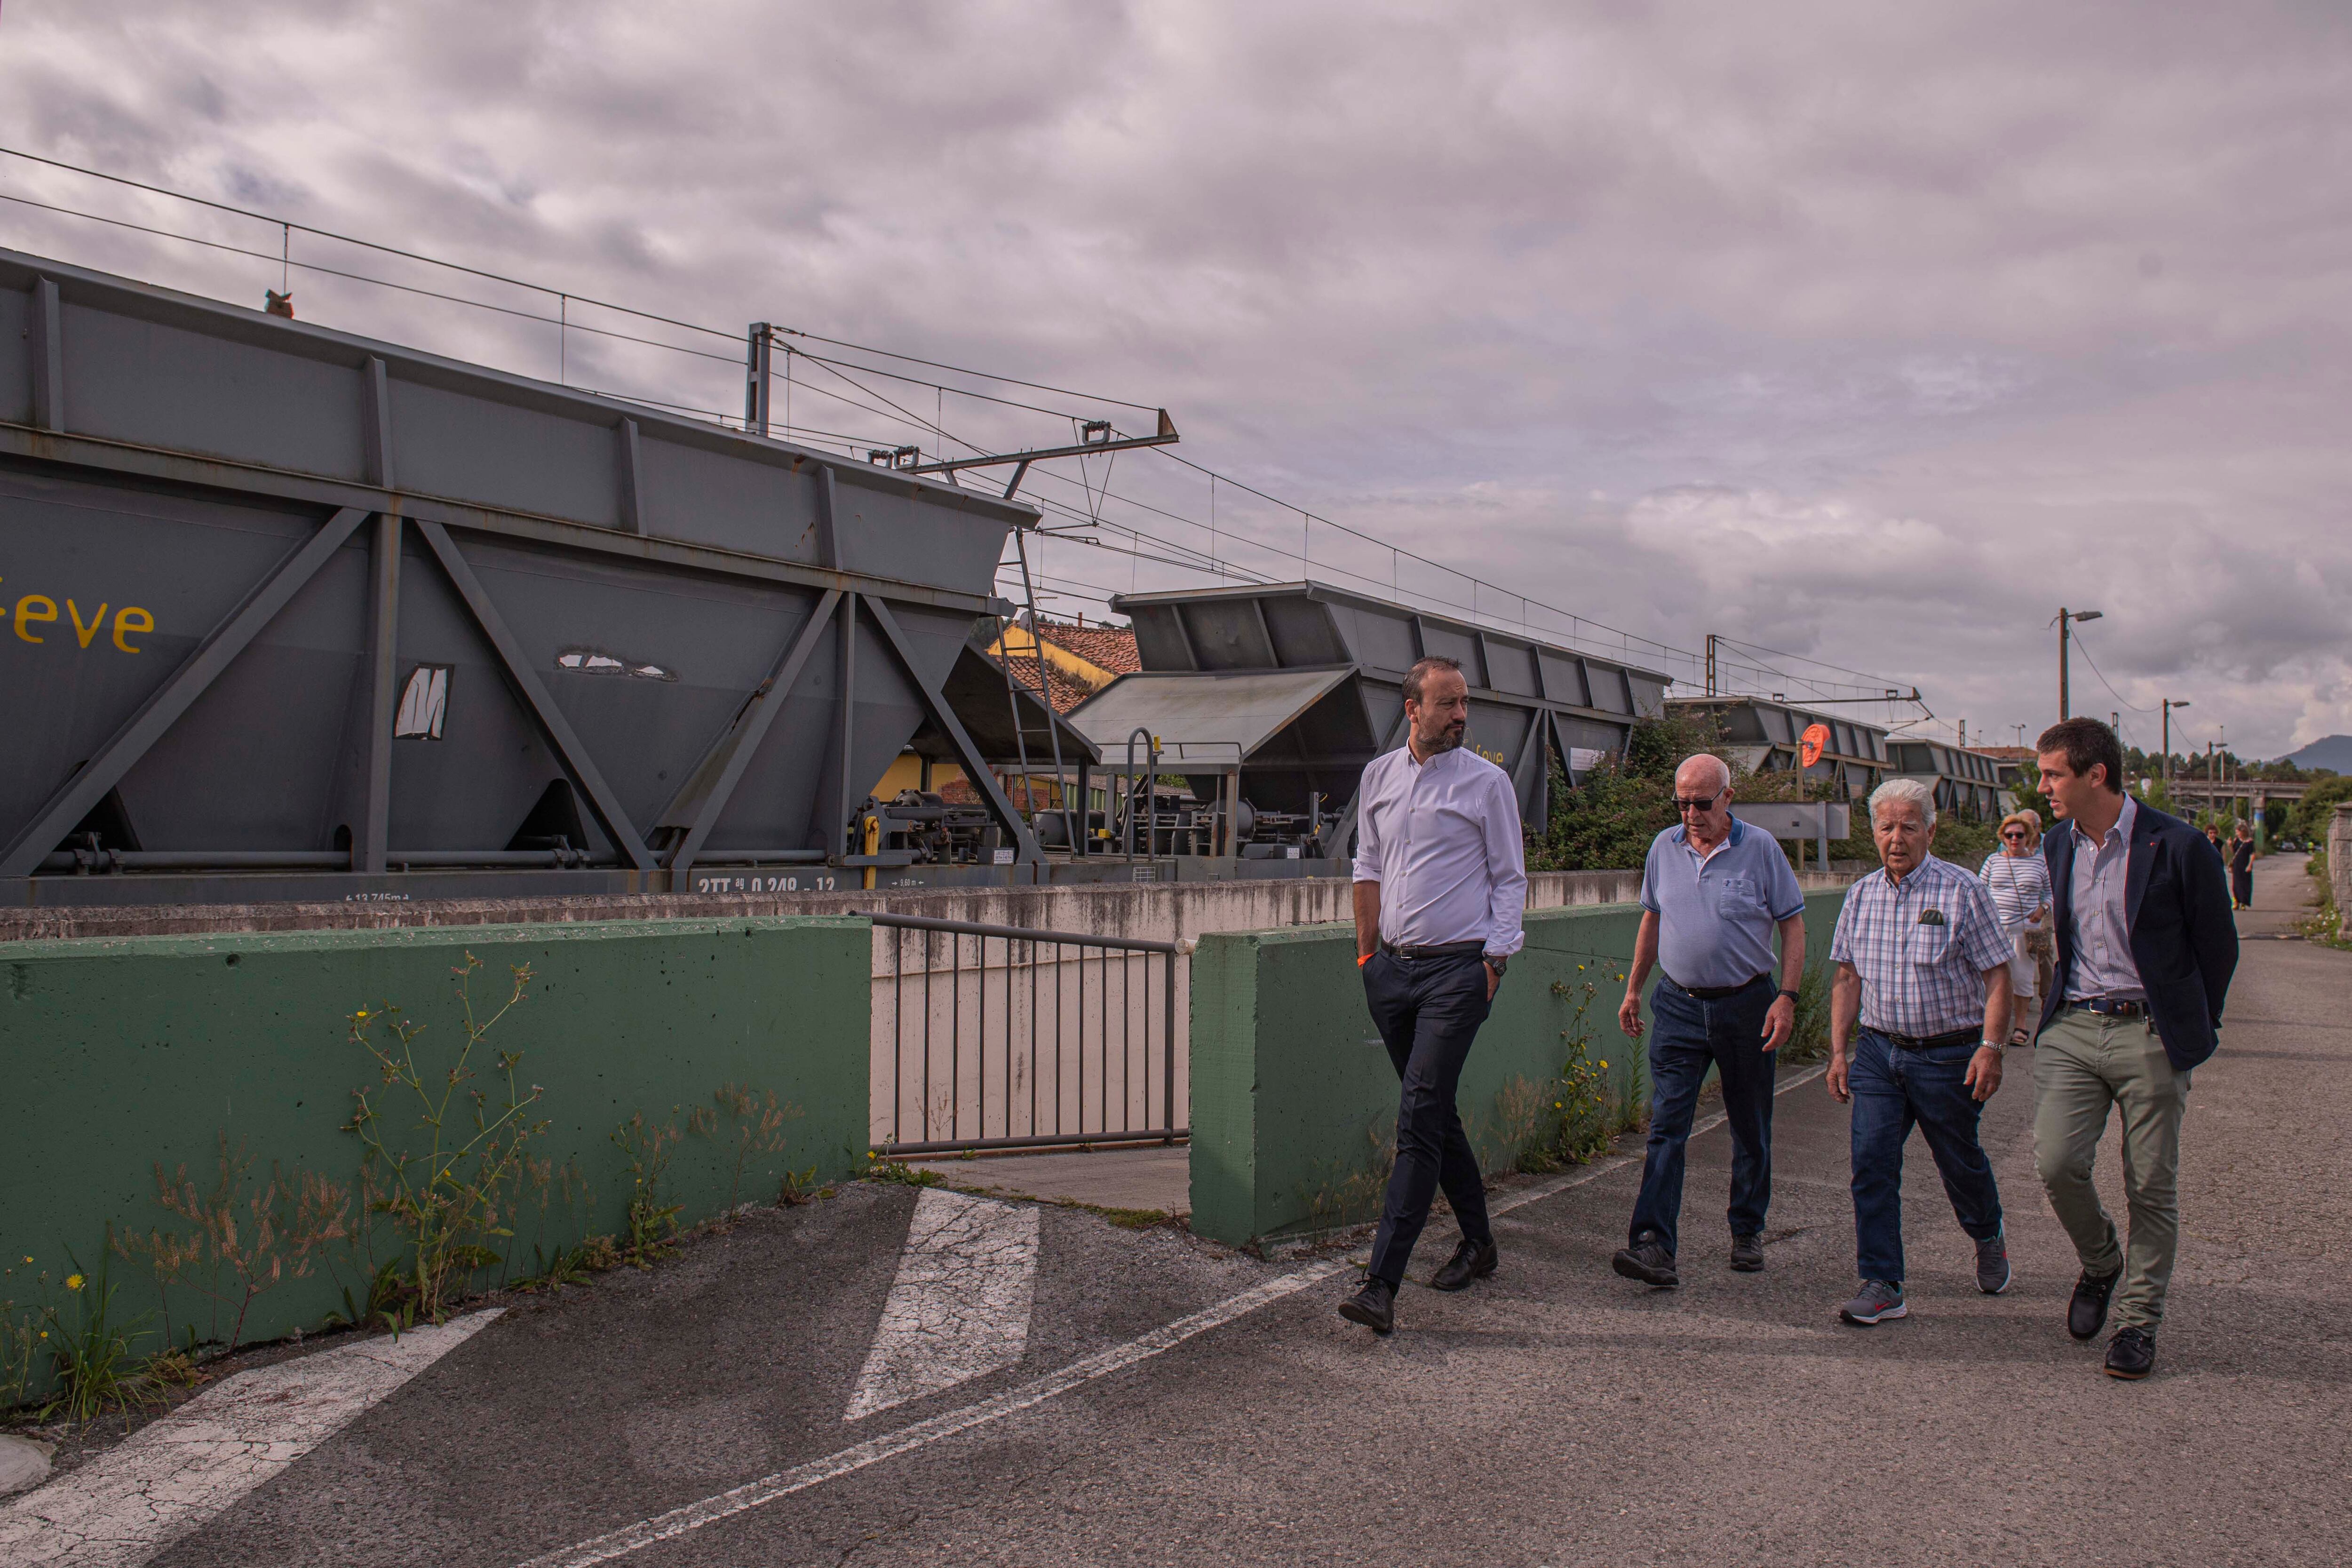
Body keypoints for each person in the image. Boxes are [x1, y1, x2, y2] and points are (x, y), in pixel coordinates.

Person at [2035, 718, 2238, 1380]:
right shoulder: (2058, 845)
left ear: (2096, 774)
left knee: (2150, 1182)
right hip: (2074, 1024)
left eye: (2052, 774)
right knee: (2058, 1163)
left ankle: (2138, 1322)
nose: (2043, 788)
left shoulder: (2177, 845)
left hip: (2150, 1030)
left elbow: (2219, 947)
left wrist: (2192, 1026)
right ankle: (2101, 1263)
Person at [1340, 655, 1527, 1335]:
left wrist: (1495, 964)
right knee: (1434, 1108)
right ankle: (1479, 1243)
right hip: (1391, 972)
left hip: (1458, 974)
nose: (1460, 716)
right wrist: (1367, 955)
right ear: (1412, 709)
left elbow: (1510, 879)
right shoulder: (1379, 776)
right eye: (1447, 704)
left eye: (1464, 703)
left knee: (1417, 1114)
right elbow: (1366, 865)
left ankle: (1381, 1282)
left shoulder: (1488, 783)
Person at [1826, 778, 2016, 1327]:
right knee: (1870, 1164)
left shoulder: (1961, 891)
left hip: (1947, 1057)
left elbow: (1997, 976)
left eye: (1909, 826)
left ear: (1929, 831)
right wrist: (1839, 1053)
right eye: (1886, 827)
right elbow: (1845, 977)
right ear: (1872, 832)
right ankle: (1882, 1282)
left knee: (1959, 1164)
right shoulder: (1860, 894)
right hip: (1879, 1054)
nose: (1896, 838)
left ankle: (1986, 1233)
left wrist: (1990, 1047)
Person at [1611, 754, 1807, 1287]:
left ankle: (1746, 1230)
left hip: (1745, 1003)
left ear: (1727, 797)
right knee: (1667, 1126)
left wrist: (1785, 997)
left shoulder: (1760, 848)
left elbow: (1792, 925)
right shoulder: (1663, 847)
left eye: (1701, 802)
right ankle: (1653, 1244)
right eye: (1681, 803)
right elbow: (1651, 918)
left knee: (1749, 1125)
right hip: (1677, 1003)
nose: (1690, 814)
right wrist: (1633, 988)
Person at [1979, 811, 2053, 1046]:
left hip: (2026, 929)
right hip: (1996, 928)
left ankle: (2021, 1025)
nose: (2014, 839)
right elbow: (1979, 889)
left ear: (2028, 837)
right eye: (2009, 835)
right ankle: (1988, 1028)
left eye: (2019, 835)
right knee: (1989, 977)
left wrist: (2043, 908)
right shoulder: (1993, 861)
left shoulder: (2039, 862)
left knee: (2022, 976)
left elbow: (2051, 893)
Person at [2228, 822, 2255, 910]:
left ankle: (2244, 903)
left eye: (2238, 832)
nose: (2237, 834)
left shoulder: (2250, 842)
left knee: (2245, 885)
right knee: (2236, 885)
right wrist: (2230, 845)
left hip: (2245, 865)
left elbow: (2252, 854)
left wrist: (2250, 865)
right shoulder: (2237, 840)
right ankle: (2236, 902)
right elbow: (2234, 852)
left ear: (2243, 832)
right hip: (2237, 865)